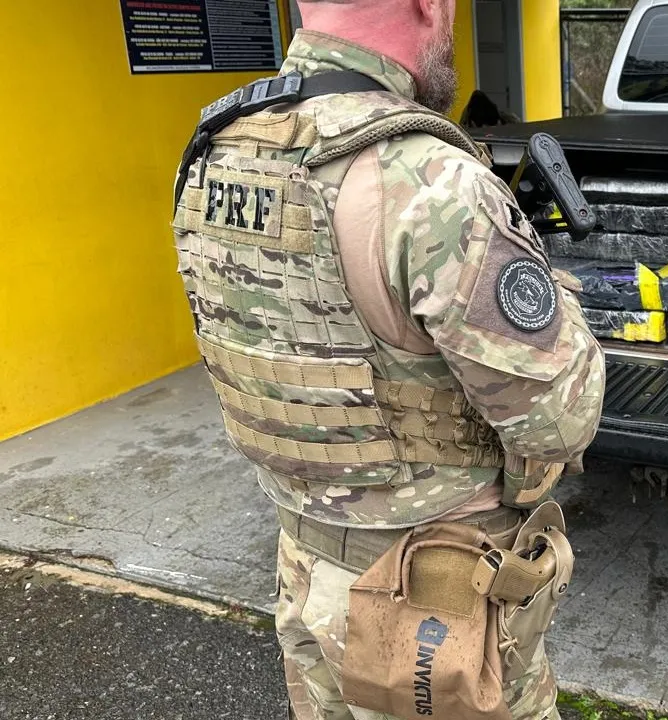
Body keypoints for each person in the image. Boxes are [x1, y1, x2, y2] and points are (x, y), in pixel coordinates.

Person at [168, 0, 606, 718]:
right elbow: (560, 420)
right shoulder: (432, 178)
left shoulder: (215, 150)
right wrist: (559, 299)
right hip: (430, 608)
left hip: (307, 575)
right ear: (430, 5)